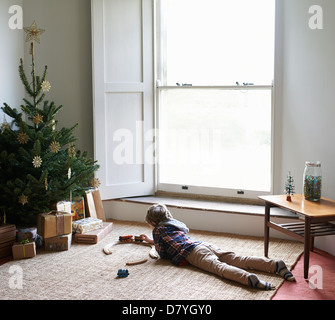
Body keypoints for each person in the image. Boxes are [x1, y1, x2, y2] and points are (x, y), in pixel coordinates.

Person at [140, 203, 295, 290]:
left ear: (153, 223)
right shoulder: (173, 224)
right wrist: (149, 240)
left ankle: (248, 279)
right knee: (237, 258)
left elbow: (162, 252)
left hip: (193, 253)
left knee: (218, 267)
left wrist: (154, 241)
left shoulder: (158, 230)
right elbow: (171, 241)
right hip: (202, 245)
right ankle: (275, 265)